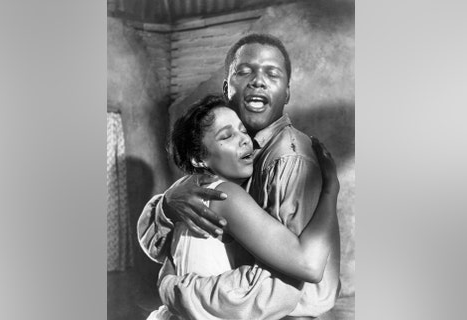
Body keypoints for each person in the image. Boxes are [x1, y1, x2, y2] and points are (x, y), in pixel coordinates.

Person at [138, 33, 341, 319]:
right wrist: (168, 203)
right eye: (244, 71)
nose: (258, 81)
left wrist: (174, 289)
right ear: (227, 88)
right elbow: (156, 244)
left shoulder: (287, 158)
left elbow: (299, 272)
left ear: (287, 92)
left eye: (272, 73)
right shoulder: (216, 181)